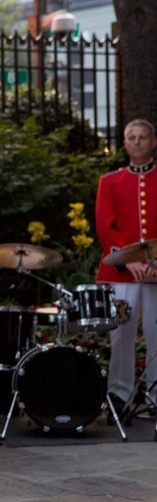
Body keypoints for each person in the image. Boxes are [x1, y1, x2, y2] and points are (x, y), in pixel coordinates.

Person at [96, 118, 157, 416]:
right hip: (121, 272)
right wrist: (131, 261)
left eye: (142, 137)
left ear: (153, 142)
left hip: (156, 272)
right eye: (131, 137)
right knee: (122, 331)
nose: (136, 142)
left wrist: (153, 262)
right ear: (124, 142)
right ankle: (119, 393)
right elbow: (105, 227)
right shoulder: (110, 181)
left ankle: (156, 394)